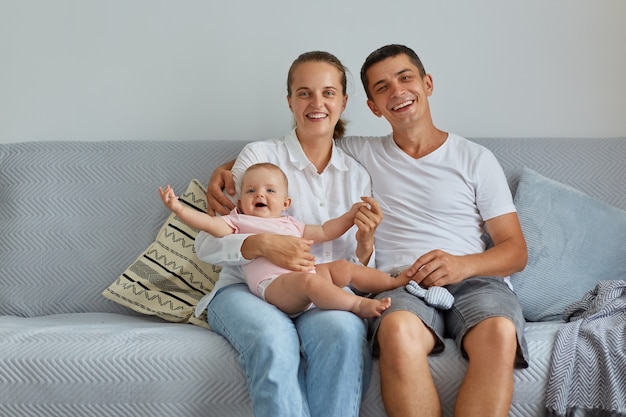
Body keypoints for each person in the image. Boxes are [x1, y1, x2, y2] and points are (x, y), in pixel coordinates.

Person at [208, 44, 530, 417]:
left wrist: (462, 265)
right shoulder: (362, 153)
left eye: (405, 78)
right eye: (381, 87)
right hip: (399, 281)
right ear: (372, 106)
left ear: (427, 84)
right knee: (394, 332)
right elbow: (306, 139)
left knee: (498, 333)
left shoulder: (472, 158)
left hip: (471, 278)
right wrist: (231, 170)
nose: (397, 91)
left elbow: (516, 252)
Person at [194, 51, 384, 417]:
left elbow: (358, 268)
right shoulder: (258, 156)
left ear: (344, 102)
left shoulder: (356, 175)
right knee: (273, 338)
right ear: (290, 101)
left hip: (317, 291)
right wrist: (260, 244)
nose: (317, 103)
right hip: (245, 290)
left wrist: (365, 244)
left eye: (328, 93)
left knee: (344, 333)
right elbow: (206, 243)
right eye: (304, 93)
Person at [160, 162, 408, 318]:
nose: (260, 194)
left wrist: (350, 216)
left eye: (270, 190)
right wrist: (179, 209)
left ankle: (395, 282)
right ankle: (357, 305)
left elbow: (325, 231)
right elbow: (207, 224)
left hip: (307, 277)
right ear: (240, 203)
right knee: (307, 282)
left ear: (285, 203)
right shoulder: (238, 221)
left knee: (342, 268)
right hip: (273, 286)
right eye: (250, 191)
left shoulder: (290, 223)